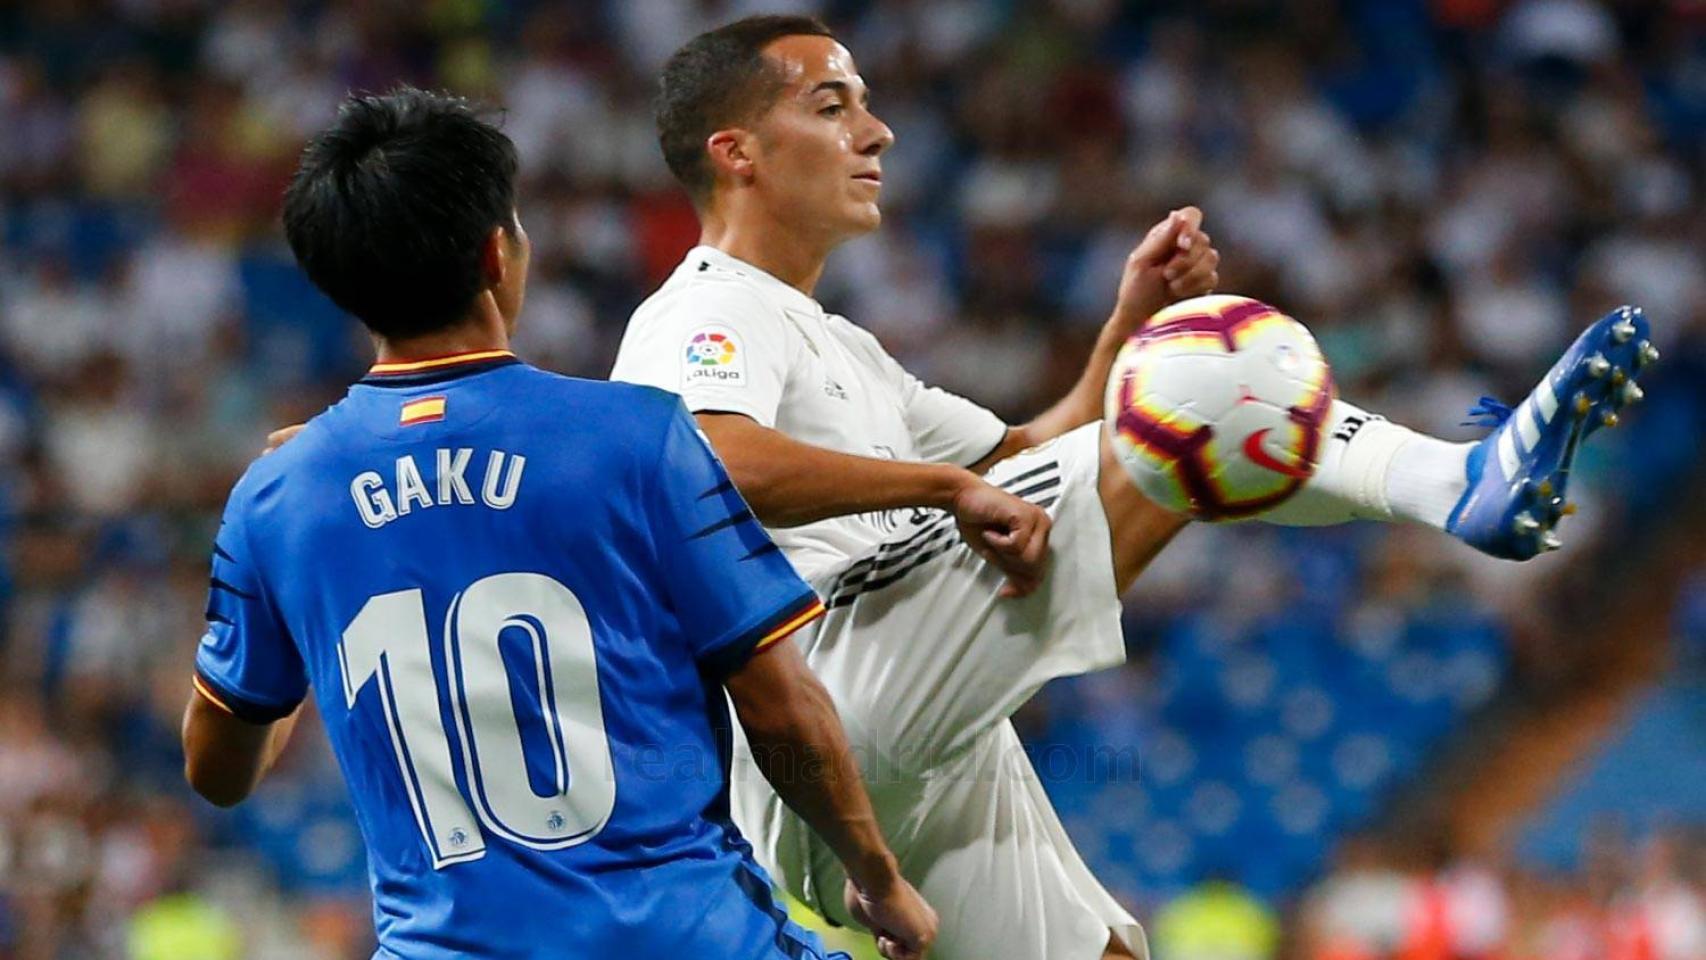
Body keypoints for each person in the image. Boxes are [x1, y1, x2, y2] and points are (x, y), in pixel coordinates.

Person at [609, 15, 1655, 960]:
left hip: (895, 734)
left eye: (869, 104)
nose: (876, 132)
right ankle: (1455, 482)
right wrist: (946, 483)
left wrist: (1120, 331)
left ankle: (1457, 484)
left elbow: (1022, 460)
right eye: (831, 106)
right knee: (1205, 372)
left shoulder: (840, 343)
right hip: (818, 682)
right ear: (733, 153)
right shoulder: (701, 308)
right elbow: (704, 463)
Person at [181, 88, 938, 960]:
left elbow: (218, 773)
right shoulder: (638, 437)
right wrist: (878, 881)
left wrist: (294, 604)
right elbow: (784, 712)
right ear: (497, 253)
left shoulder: (278, 497)